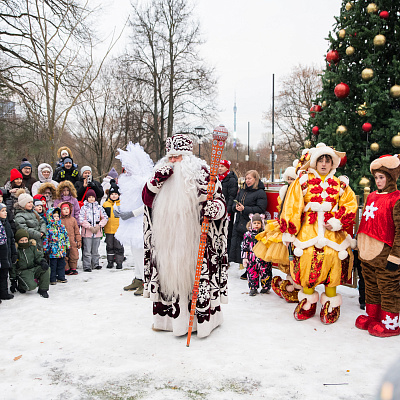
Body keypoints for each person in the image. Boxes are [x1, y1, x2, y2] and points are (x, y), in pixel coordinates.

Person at [141, 133, 228, 337]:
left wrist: (215, 208)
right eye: (170, 157)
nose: (172, 161)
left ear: (187, 157)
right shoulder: (158, 174)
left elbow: (220, 200)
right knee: (168, 281)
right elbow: (146, 200)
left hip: (195, 240)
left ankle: (201, 323)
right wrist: (155, 181)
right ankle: (167, 322)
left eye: (177, 157)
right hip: (166, 242)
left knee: (193, 282)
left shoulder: (203, 173)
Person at [280, 143, 357, 324]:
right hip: (308, 232)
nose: (324, 164)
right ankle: (308, 302)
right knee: (306, 262)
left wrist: (338, 221)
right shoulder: (302, 182)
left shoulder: (341, 185)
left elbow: (350, 205)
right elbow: (292, 206)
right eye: (321, 160)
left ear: (332, 164)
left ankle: (330, 304)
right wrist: (290, 232)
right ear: (315, 162)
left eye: (327, 160)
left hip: (333, 234)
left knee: (334, 263)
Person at [355, 155, 400, 337]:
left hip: (385, 254)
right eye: (376, 178)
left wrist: (395, 256)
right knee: (371, 286)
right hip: (367, 253)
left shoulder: (396, 199)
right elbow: (366, 222)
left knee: (388, 288)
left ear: (390, 177)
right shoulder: (372, 196)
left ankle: (390, 322)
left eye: (382, 177)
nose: (379, 181)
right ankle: (373, 315)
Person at [253, 164, 301, 302]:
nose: (291, 181)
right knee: (284, 255)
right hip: (283, 225)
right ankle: (290, 282)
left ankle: (296, 283)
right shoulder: (284, 191)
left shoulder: (298, 192)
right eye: (289, 179)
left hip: (295, 227)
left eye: (293, 179)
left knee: (294, 257)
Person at [114, 142, 154, 297]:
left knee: (141, 252)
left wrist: (132, 213)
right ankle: (138, 277)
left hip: (140, 221)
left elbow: (149, 204)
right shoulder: (127, 180)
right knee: (134, 251)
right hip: (130, 221)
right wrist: (121, 210)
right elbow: (128, 200)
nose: (126, 168)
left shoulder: (144, 181)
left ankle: (146, 280)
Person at [229, 170, 268, 278]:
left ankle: (252, 271)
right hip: (240, 223)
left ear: (255, 179)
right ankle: (246, 267)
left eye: (250, 178)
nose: (247, 181)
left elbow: (261, 208)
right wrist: (235, 207)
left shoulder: (260, 192)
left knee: (251, 250)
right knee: (243, 249)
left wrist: (245, 209)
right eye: (246, 179)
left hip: (252, 225)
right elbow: (235, 202)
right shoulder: (242, 190)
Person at [10, 229, 50, 297]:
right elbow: (13, 266)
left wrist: (42, 261)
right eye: (22, 240)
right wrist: (13, 279)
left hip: (33, 268)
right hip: (22, 271)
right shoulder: (16, 251)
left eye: (25, 240)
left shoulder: (32, 247)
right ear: (18, 241)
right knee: (31, 286)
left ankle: (43, 289)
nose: (24, 242)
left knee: (46, 269)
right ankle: (21, 285)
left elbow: (38, 257)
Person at [241, 213, 272, 296]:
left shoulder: (265, 234)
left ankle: (266, 287)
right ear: (251, 223)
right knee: (252, 273)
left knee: (266, 272)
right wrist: (245, 258)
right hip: (252, 258)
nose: (256, 225)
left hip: (263, 257)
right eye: (254, 223)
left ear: (262, 224)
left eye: (258, 223)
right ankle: (253, 288)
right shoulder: (248, 235)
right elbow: (244, 247)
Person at [79, 188, 108, 272]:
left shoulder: (99, 208)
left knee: (95, 250)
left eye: (93, 197)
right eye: (89, 197)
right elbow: (81, 219)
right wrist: (89, 227)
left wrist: (99, 226)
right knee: (87, 250)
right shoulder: (84, 208)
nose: (91, 198)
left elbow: (105, 217)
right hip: (87, 232)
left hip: (97, 232)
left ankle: (95, 264)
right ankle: (87, 265)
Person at [43, 208, 70, 285]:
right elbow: (46, 239)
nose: (56, 218)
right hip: (53, 251)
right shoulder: (48, 228)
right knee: (53, 265)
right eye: (54, 216)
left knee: (62, 264)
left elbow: (66, 237)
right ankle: (52, 278)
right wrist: (46, 249)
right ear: (50, 217)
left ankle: (61, 276)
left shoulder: (62, 227)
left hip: (61, 250)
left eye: (58, 216)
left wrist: (67, 246)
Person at [103, 180, 124, 269]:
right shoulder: (105, 204)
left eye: (116, 194)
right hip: (109, 230)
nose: (114, 196)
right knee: (110, 246)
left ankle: (119, 262)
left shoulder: (122, 204)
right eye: (112, 194)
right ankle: (110, 261)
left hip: (119, 230)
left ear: (118, 195)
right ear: (109, 195)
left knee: (119, 247)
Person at [218, 159, 238, 254]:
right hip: (218, 209)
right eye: (219, 166)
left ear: (227, 168)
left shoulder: (231, 179)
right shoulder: (217, 178)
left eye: (222, 166)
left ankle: (227, 253)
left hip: (227, 210)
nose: (220, 168)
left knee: (227, 232)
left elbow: (232, 196)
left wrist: (228, 210)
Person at [0, 203, 16, 301]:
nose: (5, 213)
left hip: (6, 254)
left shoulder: (6, 224)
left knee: (4, 275)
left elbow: (11, 239)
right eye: (2, 211)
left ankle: (4, 293)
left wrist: (14, 253)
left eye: (5, 210)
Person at [60, 202, 81, 275]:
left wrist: (78, 240)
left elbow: (77, 232)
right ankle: (66, 268)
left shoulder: (73, 220)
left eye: (67, 209)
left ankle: (73, 268)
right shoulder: (59, 220)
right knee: (64, 255)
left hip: (72, 241)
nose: (66, 210)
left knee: (74, 255)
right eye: (64, 209)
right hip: (63, 242)